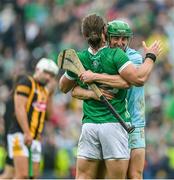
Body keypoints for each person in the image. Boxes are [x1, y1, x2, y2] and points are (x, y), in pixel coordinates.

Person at [58, 13, 161, 179]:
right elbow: (74, 90)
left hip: (133, 122)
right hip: (115, 123)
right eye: (116, 38)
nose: (120, 43)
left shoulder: (131, 56)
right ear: (106, 34)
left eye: (124, 39)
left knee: (134, 175)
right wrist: (91, 93)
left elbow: (133, 81)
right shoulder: (115, 56)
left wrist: (94, 77)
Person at [7, 58, 58, 179]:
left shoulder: (44, 90)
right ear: (37, 69)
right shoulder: (26, 82)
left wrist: (50, 95)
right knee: (22, 175)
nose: (48, 77)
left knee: (33, 176)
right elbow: (19, 108)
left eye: (51, 75)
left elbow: (49, 116)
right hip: (19, 134)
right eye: (46, 72)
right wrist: (27, 132)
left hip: (35, 138)